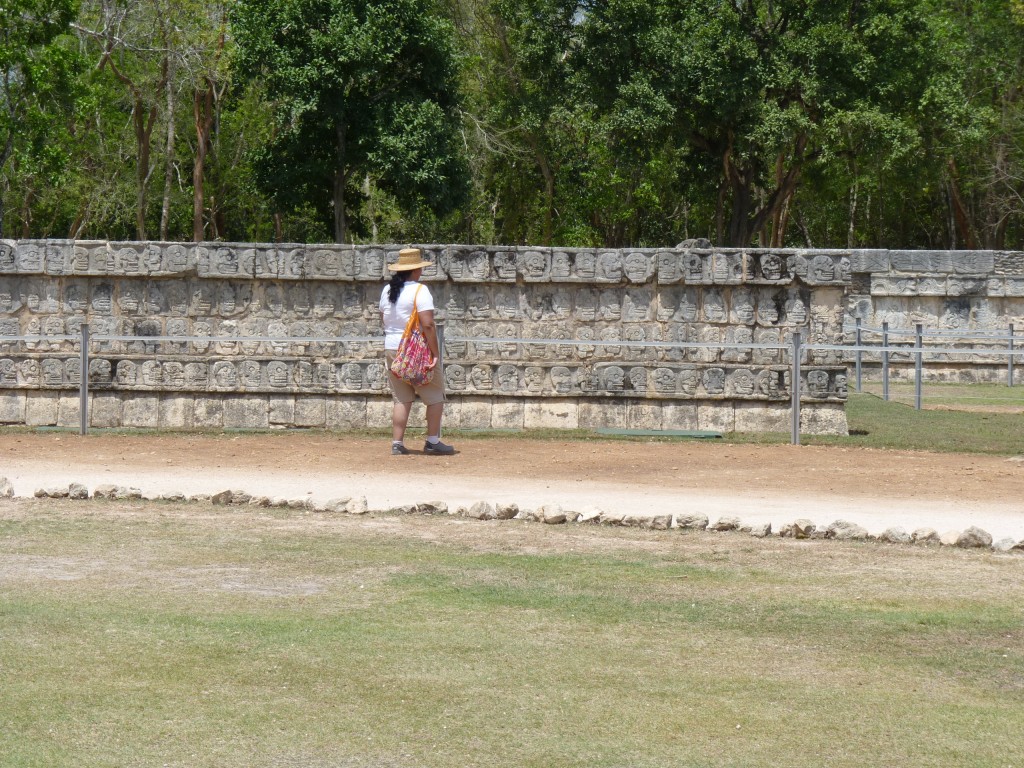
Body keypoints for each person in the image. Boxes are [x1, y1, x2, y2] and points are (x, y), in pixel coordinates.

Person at [380, 248, 456, 456]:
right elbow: (428, 324)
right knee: (435, 394)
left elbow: (384, 319)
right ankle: (432, 440)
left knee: (401, 398)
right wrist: (435, 353)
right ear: (415, 270)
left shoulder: (387, 290)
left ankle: (397, 443)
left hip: (392, 347)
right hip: (415, 349)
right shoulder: (420, 290)